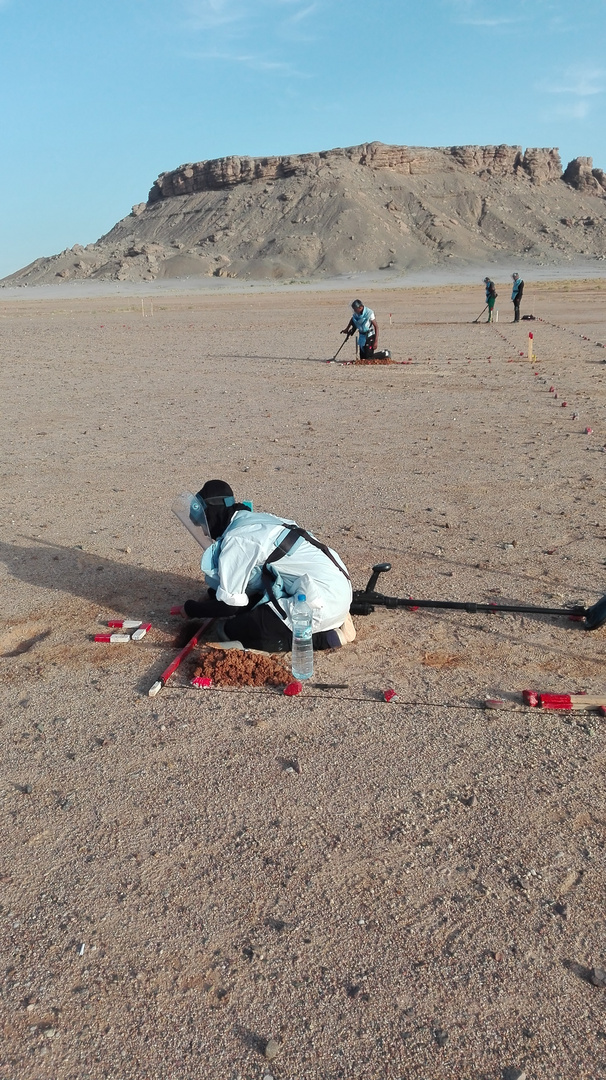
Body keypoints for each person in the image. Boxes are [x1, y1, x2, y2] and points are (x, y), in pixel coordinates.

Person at [178, 480, 355, 652]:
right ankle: (336, 617)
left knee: (229, 630)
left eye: (203, 523)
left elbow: (230, 606)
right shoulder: (256, 520)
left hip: (321, 604)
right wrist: (212, 594)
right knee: (254, 606)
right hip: (338, 587)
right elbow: (253, 577)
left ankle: (323, 638)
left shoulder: (237, 540)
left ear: (212, 514)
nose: (204, 530)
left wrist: (192, 609)